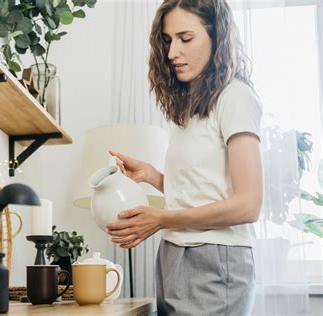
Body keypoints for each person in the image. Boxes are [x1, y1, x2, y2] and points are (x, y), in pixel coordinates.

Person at [106, 1, 263, 315]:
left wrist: (161, 218)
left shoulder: (235, 97)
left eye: (185, 38)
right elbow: (203, 192)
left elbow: (248, 205)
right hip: (174, 254)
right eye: (167, 40)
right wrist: (153, 176)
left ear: (216, 36)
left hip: (215, 260)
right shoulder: (190, 109)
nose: (172, 52)